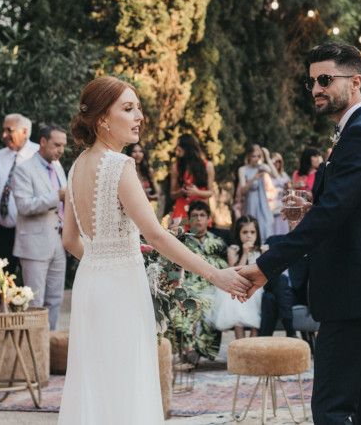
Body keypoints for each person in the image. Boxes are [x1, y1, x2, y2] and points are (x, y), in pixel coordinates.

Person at [240, 42, 361, 425]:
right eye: (311, 81)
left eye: (324, 79)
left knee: (332, 408)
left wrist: (267, 265)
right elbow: (353, 209)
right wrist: (311, 211)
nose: (316, 88)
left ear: (355, 81)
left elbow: (334, 214)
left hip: (358, 295)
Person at [58, 76, 250, 424]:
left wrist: (105, 259)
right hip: (121, 287)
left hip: (91, 285)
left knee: (95, 380)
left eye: (139, 108)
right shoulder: (119, 165)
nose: (139, 117)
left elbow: (70, 241)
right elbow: (158, 236)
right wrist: (215, 273)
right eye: (128, 109)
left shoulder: (74, 168)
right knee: (126, 381)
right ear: (102, 118)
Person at [12, 124, 68, 329]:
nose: (60, 150)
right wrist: (57, 197)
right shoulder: (24, 169)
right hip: (34, 245)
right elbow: (24, 205)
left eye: (63, 146)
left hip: (58, 243)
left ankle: (49, 346)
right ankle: (33, 350)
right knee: (35, 302)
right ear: (43, 142)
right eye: (57, 145)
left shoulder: (58, 168)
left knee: (55, 299)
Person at [0, 114, 39, 274]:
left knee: (30, 285)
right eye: (3, 130)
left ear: (25, 131)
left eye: (9, 130)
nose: (4, 135)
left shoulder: (40, 155)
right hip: (1, 232)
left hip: (31, 231)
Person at [169, 201, 228, 362]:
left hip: (212, 286)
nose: (198, 219)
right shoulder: (182, 241)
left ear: (208, 219)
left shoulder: (218, 242)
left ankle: (199, 351)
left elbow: (227, 265)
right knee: (184, 305)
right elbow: (173, 267)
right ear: (189, 219)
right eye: (194, 215)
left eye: (202, 215)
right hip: (188, 284)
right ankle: (188, 350)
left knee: (208, 305)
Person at [211, 215, 266, 339]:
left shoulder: (260, 250)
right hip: (239, 284)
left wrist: (264, 255)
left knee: (257, 296)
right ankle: (240, 342)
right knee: (235, 304)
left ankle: (252, 344)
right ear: (238, 233)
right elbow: (236, 272)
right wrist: (245, 254)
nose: (249, 236)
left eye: (252, 232)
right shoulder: (233, 249)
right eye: (245, 232)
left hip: (256, 288)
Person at [169, 134, 215, 228]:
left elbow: (210, 192)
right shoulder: (176, 167)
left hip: (198, 210)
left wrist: (197, 192)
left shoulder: (207, 166)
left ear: (188, 147)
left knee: (195, 236)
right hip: (182, 210)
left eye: (180, 145)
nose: (177, 148)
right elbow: (172, 194)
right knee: (179, 234)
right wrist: (182, 191)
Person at [237, 145, 277, 239]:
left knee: (266, 226)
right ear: (249, 156)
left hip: (263, 203)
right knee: (252, 226)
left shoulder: (262, 167)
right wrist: (255, 177)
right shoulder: (242, 170)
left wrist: (267, 158)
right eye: (254, 156)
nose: (256, 159)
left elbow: (275, 175)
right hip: (251, 202)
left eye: (259, 156)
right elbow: (243, 191)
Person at [125, 143, 158, 208]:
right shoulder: (126, 172)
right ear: (129, 154)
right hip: (132, 208)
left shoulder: (148, 171)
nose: (138, 154)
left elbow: (157, 193)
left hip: (148, 207)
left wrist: (152, 196)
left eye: (140, 151)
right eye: (134, 151)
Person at [269, 151, 291, 235]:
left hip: (282, 206)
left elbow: (289, 189)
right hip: (271, 206)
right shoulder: (267, 174)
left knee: (283, 232)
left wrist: (287, 188)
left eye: (279, 161)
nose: (277, 163)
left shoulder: (283, 174)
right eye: (275, 161)